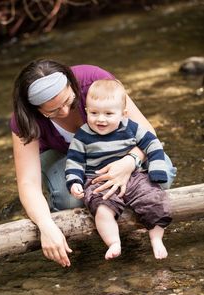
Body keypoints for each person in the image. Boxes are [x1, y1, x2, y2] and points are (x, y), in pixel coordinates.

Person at [11, 59, 176, 267]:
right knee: (69, 201)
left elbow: (146, 131)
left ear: (72, 85)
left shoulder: (94, 81)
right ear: (35, 109)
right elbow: (28, 184)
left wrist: (129, 162)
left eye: (68, 102)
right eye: (51, 112)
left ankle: (131, 218)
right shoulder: (23, 119)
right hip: (61, 154)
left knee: (163, 174)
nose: (63, 112)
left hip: (117, 148)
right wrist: (46, 226)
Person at [65, 79, 172, 260]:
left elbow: (152, 144)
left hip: (133, 175)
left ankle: (156, 238)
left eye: (108, 113)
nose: (100, 119)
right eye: (94, 113)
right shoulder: (82, 136)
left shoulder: (131, 128)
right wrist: (74, 181)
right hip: (99, 180)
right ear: (86, 111)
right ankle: (114, 242)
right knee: (102, 208)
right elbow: (74, 161)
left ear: (123, 114)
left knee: (155, 199)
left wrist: (157, 170)